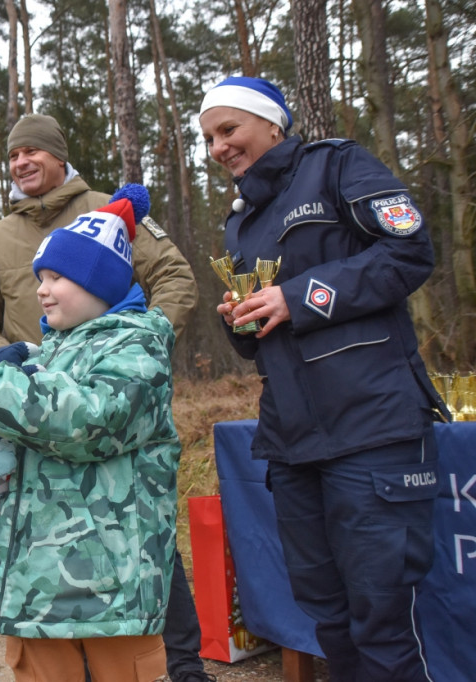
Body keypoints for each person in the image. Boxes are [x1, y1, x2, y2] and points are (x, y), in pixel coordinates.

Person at [198, 76, 450, 681]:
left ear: (272, 124)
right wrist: (243, 317)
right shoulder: (240, 224)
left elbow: (409, 251)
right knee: (328, 617)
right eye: (208, 138)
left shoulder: (338, 166)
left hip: (373, 427)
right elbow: (264, 341)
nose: (218, 147)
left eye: (229, 129)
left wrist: (298, 296)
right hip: (292, 441)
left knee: (382, 619)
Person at [0, 113, 212, 682]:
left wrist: (139, 340)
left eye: (33, 151)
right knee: (44, 535)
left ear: (59, 153)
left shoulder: (105, 211)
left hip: (105, 400)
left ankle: (184, 664)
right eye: (13, 153)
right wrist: (7, 367)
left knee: (134, 533)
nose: (22, 162)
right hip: (23, 407)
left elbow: (175, 277)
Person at [0, 187, 179, 682]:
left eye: (57, 276)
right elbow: (32, 418)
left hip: (111, 594)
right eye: (40, 277)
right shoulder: (45, 351)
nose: (41, 289)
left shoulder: (138, 345)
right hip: (37, 585)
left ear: (100, 282)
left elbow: (91, 421)